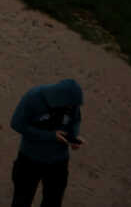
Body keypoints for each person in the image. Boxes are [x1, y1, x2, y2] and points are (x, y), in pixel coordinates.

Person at [9, 78, 82, 207]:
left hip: (58, 162)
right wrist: (50, 136)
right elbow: (16, 123)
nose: (72, 108)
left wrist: (73, 138)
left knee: (53, 201)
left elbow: (75, 121)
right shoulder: (33, 97)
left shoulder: (73, 104)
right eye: (69, 105)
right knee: (22, 199)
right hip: (30, 159)